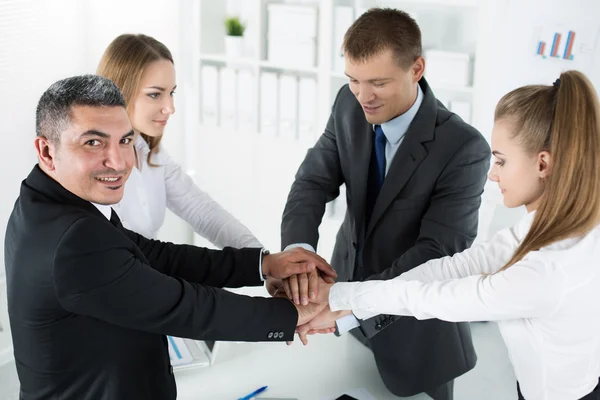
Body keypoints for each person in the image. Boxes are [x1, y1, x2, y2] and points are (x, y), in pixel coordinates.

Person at [4, 75, 335, 400]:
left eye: (125, 141)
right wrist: (292, 315)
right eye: (93, 142)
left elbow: (151, 255)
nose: (118, 162)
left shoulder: (46, 200)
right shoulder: (74, 240)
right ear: (46, 151)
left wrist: (263, 265)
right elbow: (186, 307)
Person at [310, 70, 600, 400]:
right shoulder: (551, 227)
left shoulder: (546, 273)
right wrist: (347, 303)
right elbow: (456, 267)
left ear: (543, 164)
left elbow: (434, 298)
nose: (493, 174)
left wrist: (339, 298)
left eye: (501, 161)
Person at [277, 7, 491, 400]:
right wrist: (298, 253)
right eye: (354, 80)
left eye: (378, 82)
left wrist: (351, 303)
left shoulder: (464, 147)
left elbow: (437, 253)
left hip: (417, 331)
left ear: (417, 68)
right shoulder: (347, 104)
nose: (363, 96)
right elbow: (312, 181)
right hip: (346, 306)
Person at [96, 33, 261, 247]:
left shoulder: (150, 153)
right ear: (120, 92)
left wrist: (263, 260)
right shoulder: (94, 166)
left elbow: (203, 211)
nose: (170, 108)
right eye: (155, 94)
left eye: (171, 93)